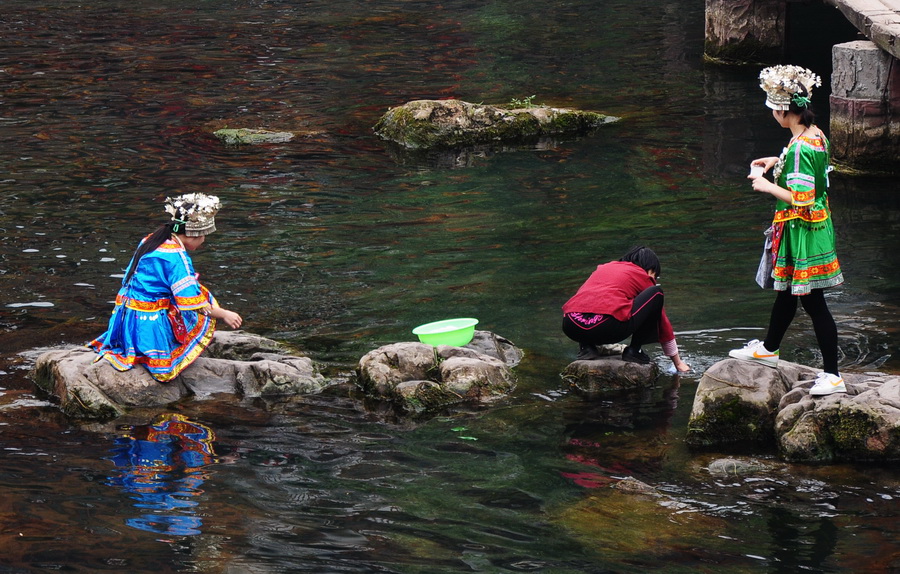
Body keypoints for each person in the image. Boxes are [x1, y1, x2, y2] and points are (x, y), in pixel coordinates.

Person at [728, 64, 845, 396]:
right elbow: (807, 171)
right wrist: (775, 163)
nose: (774, 115)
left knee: (812, 302)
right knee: (788, 294)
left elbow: (802, 198)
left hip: (803, 231)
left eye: (774, 110)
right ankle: (769, 348)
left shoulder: (800, 147)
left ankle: (833, 375)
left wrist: (765, 185)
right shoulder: (814, 134)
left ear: (784, 110)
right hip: (811, 228)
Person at [90, 193, 243, 382]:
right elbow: (192, 303)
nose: (204, 241)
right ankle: (158, 350)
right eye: (204, 236)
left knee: (196, 288)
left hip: (126, 313)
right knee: (202, 297)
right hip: (148, 321)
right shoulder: (177, 258)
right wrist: (224, 314)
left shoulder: (150, 240)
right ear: (194, 234)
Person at [562, 246, 690, 372]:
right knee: (656, 294)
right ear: (651, 270)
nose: (653, 280)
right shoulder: (642, 275)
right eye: (655, 276)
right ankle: (635, 351)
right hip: (606, 327)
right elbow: (663, 323)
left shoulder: (604, 268)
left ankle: (587, 348)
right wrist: (677, 363)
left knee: (590, 301)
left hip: (570, 325)